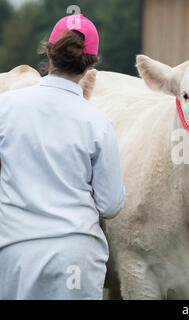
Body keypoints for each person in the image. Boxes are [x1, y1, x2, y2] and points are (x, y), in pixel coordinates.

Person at [0, 14, 125, 299]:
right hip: (75, 253)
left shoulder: (5, 107)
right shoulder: (98, 123)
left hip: (14, 248)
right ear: (91, 63)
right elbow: (110, 204)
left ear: (48, 52)